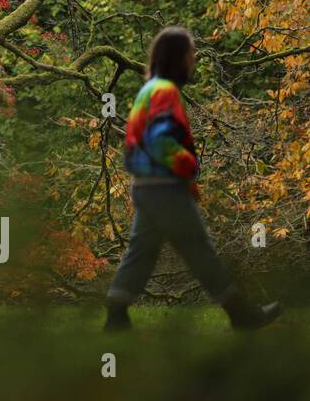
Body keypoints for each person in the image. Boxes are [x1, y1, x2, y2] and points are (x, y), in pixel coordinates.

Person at [105, 27, 281, 332]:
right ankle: (242, 315)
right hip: (164, 188)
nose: (194, 59)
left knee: (142, 251)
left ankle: (116, 315)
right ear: (177, 57)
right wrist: (188, 165)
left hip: (146, 186)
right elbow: (160, 142)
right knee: (200, 250)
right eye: (190, 53)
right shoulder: (165, 92)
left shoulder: (149, 90)